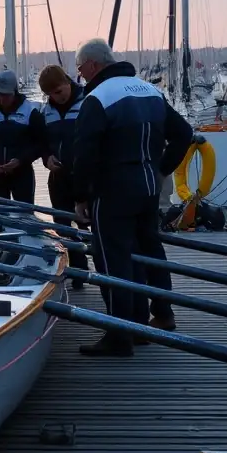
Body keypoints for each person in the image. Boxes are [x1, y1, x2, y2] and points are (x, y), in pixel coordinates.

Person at [73, 38, 193, 357]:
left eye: (80, 68)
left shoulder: (98, 98)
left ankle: (120, 334)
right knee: (150, 250)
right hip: (148, 187)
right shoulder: (149, 91)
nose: (80, 75)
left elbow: (86, 153)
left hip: (113, 190)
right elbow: (184, 133)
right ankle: (162, 314)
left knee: (113, 259)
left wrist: (81, 196)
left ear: (94, 65)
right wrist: (161, 169)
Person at [39, 64, 89, 283]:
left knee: (91, 223)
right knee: (62, 226)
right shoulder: (46, 110)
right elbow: (42, 141)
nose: (55, 97)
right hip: (58, 177)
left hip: (85, 175)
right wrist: (46, 158)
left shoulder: (88, 101)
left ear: (67, 82)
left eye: (58, 91)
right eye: (50, 94)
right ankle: (77, 271)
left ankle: (109, 273)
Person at [0, 69, 43, 203]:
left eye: (6, 95)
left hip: (22, 174)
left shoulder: (30, 111)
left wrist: (21, 160)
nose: (2, 99)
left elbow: (41, 143)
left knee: (25, 217)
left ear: (15, 92)